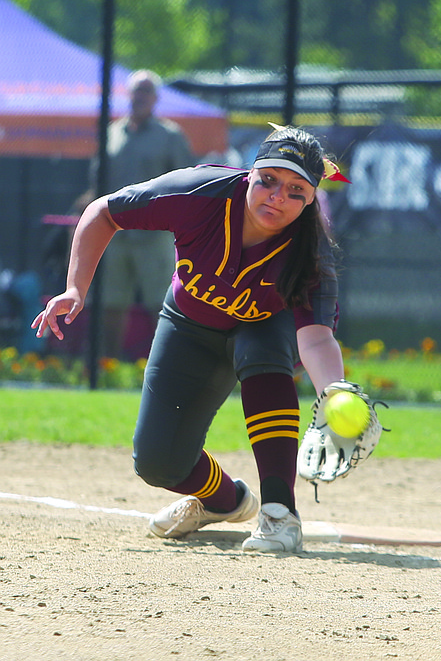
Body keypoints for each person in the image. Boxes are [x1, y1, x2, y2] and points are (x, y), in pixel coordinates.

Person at [32, 125, 380, 553]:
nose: (277, 196)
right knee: (158, 463)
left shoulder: (310, 250)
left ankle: (279, 514)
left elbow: (316, 338)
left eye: (295, 190)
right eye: (268, 180)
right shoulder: (201, 193)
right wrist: (74, 288)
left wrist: (333, 393)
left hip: (265, 327)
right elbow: (104, 212)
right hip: (189, 324)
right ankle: (224, 502)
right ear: (249, 173)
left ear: (311, 200)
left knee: (262, 347)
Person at [84, 70, 195, 359]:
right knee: (110, 303)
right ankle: (108, 368)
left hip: (155, 236)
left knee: (162, 305)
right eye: (136, 91)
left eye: (146, 91)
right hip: (115, 234)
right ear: (128, 95)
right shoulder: (111, 133)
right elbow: (97, 185)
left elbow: (188, 185)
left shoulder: (170, 136)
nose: (140, 97)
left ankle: (166, 366)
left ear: (156, 98)